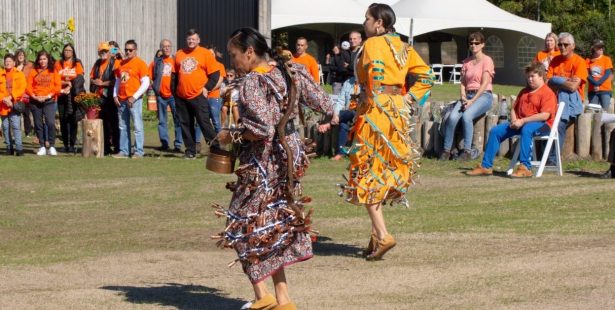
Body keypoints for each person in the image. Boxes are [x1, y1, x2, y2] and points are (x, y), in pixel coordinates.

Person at [214, 27, 333, 310]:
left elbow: (263, 129)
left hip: (262, 164)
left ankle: (262, 297)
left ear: (250, 53)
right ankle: (283, 299)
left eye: (234, 55)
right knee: (273, 227)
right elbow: (325, 104)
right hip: (289, 160)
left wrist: (230, 135)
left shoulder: (252, 82)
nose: (233, 62)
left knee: (242, 225)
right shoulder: (289, 71)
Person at [338, 3, 433, 261]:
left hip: (374, 113)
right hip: (396, 114)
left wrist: (372, 93)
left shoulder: (371, 44)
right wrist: (409, 100)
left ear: (379, 23)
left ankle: (383, 235)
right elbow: (427, 76)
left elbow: (373, 72)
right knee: (383, 169)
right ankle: (373, 236)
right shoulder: (404, 46)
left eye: (367, 19)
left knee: (367, 171)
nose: (364, 23)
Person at [467, 62, 557, 178]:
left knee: (527, 129)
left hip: (542, 125)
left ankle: (525, 167)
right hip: (520, 123)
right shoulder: (524, 92)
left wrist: (523, 121)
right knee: (495, 131)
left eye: (532, 76)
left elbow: (544, 115)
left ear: (541, 76)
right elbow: (514, 109)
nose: (529, 79)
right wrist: (514, 121)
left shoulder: (547, 93)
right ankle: (486, 166)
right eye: (528, 77)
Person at [440, 32, 495, 161]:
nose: (473, 45)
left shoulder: (487, 60)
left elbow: (485, 82)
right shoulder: (466, 62)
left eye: (476, 43)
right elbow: (463, 82)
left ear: (482, 44)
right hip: (468, 95)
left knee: (467, 116)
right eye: (471, 43)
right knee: (452, 117)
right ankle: (446, 150)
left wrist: (472, 101)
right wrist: (464, 97)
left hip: (483, 95)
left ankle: (467, 151)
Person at [174, 28, 221, 159]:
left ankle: (216, 149)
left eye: (193, 39)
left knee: (204, 123)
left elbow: (215, 74)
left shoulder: (205, 53)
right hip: (182, 97)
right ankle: (190, 151)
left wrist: (206, 88)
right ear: (186, 40)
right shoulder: (179, 54)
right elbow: (174, 75)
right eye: (189, 39)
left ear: (198, 40)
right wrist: (175, 93)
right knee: (185, 124)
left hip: (198, 96)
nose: (191, 41)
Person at [547, 32, 587, 164]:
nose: (562, 47)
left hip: (573, 102)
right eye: (560, 44)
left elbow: (573, 88)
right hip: (555, 99)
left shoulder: (579, 62)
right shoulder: (555, 60)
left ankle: (552, 159)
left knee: (559, 122)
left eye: (566, 44)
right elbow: (547, 82)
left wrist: (556, 80)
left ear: (573, 46)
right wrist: (564, 80)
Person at [112, 40, 149, 158]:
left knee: (137, 126)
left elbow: (146, 82)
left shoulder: (140, 63)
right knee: (122, 126)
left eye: (130, 50)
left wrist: (135, 96)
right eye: (126, 49)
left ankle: (138, 151)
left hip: (134, 100)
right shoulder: (121, 64)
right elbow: (119, 81)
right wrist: (114, 95)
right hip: (122, 99)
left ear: (135, 50)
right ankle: (124, 151)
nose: (127, 52)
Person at [149, 39, 182, 152]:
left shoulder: (176, 61)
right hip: (161, 96)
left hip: (174, 96)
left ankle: (177, 145)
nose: (167, 48)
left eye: (169, 46)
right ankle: (164, 144)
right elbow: (149, 76)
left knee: (178, 120)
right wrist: (154, 87)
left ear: (171, 47)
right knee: (162, 121)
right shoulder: (156, 62)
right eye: (164, 46)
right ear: (161, 48)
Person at [26, 50, 61, 156]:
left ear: (48, 60)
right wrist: (34, 96)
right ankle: (42, 146)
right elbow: (28, 86)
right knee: (38, 124)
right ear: (38, 60)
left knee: (50, 122)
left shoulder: (53, 71)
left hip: (50, 101)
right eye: (40, 59)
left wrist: (48, 96)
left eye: (44, 59)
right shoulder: (33, 71)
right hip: (35, 101)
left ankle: (51, 146)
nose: (42, 61)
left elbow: (58, 86)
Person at [90, 41, 120, 155]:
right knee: (103, 123)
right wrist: (95, 81)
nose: (103, 53)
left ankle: (117, 148)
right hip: (100, 97)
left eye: (105, 51)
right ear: (98, 52)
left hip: (111, 97)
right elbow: (91, 78)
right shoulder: (97, 63)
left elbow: (117, 80)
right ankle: (106, 147)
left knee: (114, 123)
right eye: (101, 51)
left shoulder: (115, 62)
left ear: (109, 52)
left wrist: (102, 83)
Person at [55, 43, 86, 153]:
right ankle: (65, 144)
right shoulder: (58, 63)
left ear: (73, 52)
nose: (67, 52)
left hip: (73, 94)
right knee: (63, 119)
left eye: (69, 50)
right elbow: (55, 78)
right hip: (62, 94)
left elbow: (80, 76)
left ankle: (72, 144)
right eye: (65, 50)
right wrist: (65, 82)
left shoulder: (77, 63)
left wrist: (70, 84)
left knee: (73, 119)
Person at [1, 54, 27, 156]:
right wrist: (4, 99)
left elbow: (22, 88)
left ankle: (19, 149)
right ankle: (9, 148)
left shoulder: (19, 74)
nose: (8, 62)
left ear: (14, 63)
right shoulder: (0, 74)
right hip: (3, 105)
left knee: (16, 126)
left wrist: (11, 97)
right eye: (6, 61)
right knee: (6, 127)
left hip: (14, 104)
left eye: (10, 61)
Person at [331, 76, 358, 161]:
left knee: (352, 112)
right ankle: (340, 153)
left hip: (361, 114)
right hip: (348, 114)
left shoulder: (367, 83)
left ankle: (330, 124)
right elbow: (340, 101)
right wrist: (335, 115)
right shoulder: (348, 83)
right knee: (343, 125)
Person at [586, 39, 613, 111]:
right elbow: (587, 74)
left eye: (602, 47)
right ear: (593, 48)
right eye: (598, 47)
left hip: (605, 90)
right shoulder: (588, 60)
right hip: (593, 90)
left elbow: (607, 73)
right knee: (592, 112)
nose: (601, 49)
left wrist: (597, 84)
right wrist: (595, 84)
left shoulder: (607, 59)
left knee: (605, 112)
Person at [15, 49, 34, 138]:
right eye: (19, 55)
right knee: (16, 113)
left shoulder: (29, 65)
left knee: (26, 113)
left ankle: (28, 132)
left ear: (24, 56)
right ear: (17, 57)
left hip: (27, 93)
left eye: (22, 55)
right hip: (17, 93)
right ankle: (16, 132)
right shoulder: (14, 66)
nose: (21, 56)